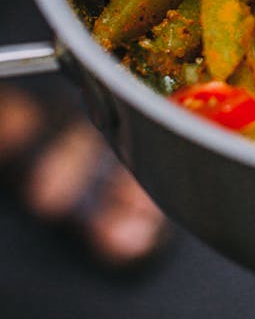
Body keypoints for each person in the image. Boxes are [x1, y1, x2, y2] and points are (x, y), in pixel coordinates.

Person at [0, 81, 169, 270]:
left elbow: (48, 182)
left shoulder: (58, 199)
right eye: (142, 213)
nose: (131, 203)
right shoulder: (142, 145)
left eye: (116, 211)